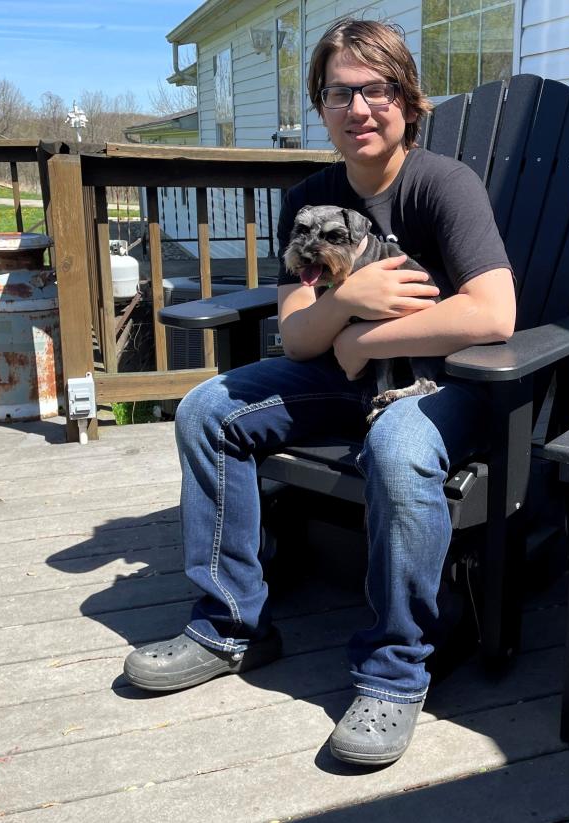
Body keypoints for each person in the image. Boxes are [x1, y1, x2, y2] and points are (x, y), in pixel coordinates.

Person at [123, 17, 515, 767]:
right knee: (209, 409)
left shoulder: (443, 186)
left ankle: (396, 673)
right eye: (340, 92)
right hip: (334, 380)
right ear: (320, 103)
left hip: (443, 384)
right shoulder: (310, 197)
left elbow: (493, 312)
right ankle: (230, 625)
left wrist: (364, 338)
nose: (359, 108)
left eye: (377, 90)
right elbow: (299, 335)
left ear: (407, 101)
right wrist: (352, 298)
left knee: (398, 445)